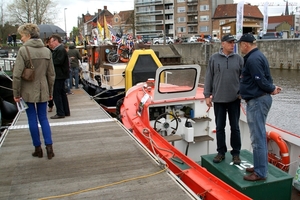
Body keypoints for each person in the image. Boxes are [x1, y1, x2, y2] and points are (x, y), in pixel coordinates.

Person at [237, 33, 281, 181]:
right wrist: (271, 87)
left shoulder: (253, 59)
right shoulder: (257, 56)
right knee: (258, 136)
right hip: (257, 100)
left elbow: (260, 80)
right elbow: (265, 79)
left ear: (245, 44)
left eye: (240, 44)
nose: (239, 47)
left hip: (257, 101)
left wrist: (271, 89)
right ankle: (258, 166)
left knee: (258, 138)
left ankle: (260, 173)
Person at [12, 23, 55, 159]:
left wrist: (16, 93)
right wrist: (50, 92)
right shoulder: (47, 51)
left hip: (27, 90)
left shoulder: (23, 51)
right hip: (43, 89)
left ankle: (38, 149)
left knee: (32, 118)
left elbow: (17, 75)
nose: (21, 39)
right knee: (43, 118)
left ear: (28, 35)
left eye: (22, 36)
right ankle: (49, 148)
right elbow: (51, 74)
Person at [203, 34, 243, 165]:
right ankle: (221, 152)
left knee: (235, 127)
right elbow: (209, 77)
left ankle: (236, 153)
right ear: (223, 44)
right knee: (220, 127)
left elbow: (244, 78)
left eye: (234, 43)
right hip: (219, 99)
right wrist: (207, 95)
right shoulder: (214, 59)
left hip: (234, 99)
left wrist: (242, 92)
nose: (233, 45)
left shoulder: (238, 59)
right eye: (230, 42)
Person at [48, 34, 70, 119]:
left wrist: (50, 61)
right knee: (62, 93)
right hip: (61, 74)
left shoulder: (60, 50)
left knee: (57, 94)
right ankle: (65, 111)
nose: (50, 44)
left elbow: (59, 61)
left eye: (51, 42)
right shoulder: (59, 49)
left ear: (56, 41)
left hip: (59, 75)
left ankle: (60, 112)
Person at [43, 37, 54, 112]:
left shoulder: (45, 51)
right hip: (49, 72)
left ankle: (50, 104)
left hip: (45, 73)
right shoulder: (50, 51)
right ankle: (50, 104)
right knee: (50, 89)